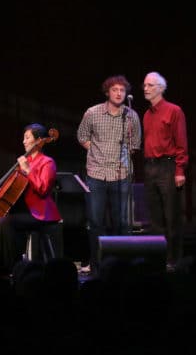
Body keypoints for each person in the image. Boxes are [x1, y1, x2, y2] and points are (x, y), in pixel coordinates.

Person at [0, 124, 61, 274]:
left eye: (27, 138)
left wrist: (28, 170)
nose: (23, 142)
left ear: (39, 140)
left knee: (6, 222)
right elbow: (9, 187)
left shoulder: (47, 162)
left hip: (39, 213)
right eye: (24, 138)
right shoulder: (25, 163)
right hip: (22, 209)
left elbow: (43, 189)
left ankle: (13, 268)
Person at [77, 75, 141, 273]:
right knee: (95, 221)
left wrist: (119, 158)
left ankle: (121, 265)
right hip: (96, 173)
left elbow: (135, 144)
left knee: (121, 222)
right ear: (107, 92)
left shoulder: (131, 115)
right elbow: (82, 136)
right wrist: (96, 152)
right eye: (115, 90)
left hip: (120, 174)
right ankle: (97, 265)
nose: (119, 93)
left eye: (122, 90)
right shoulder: (92, 113)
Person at [142, 71, 188, 271]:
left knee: (171, 217)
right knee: (155, 218)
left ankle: (173, 260)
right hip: (150, 167)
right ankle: (159, 259)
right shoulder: (146, 114)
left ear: (160, 88)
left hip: (168, 167)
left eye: (150, 85)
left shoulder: (174, 111)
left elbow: (181, 143)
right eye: (144, 85)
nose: (145, 88)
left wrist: (180, 170)